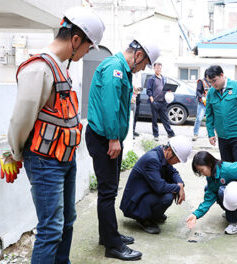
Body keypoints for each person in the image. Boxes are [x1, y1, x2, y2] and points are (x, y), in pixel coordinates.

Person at [6, 6, 105, 263]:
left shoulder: (59, 67)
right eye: (87, 47)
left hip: (63, 157)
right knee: (51, 229)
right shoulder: (40, 68)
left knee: (67, 221)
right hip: (43, 160)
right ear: (75, 40)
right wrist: (15, 153)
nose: (86, 53)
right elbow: (21, 119)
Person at [85, 39, 160, 261]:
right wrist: (113, 138)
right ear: (138, 54)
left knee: (109, 191)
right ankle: (113, 246)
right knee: (107, 193)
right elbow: (110, 106)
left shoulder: (121, 70)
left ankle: (108, 235)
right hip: (104, 138)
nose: (143, 68)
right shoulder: (115, 69)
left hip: (109, 137)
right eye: (144, 63)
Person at [120, 136, 192, 234]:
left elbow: (173, 173)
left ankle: (153, 215)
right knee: (168, 196)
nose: (178, 162)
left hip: (145, 193)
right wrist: (177, 188)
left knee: (172, 188)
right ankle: (143, 218)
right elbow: (160, 187)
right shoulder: (152, 160)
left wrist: (180, 185)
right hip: (134, 204)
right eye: (178, 158)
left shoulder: (162, 154)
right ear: (169, 150)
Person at [186, 151, 237, 235]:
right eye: (199, 172)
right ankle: (234, 213)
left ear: (209, 164)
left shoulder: (229, 169)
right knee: (209, 189)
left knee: (222, 191)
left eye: (202, 170)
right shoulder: (211, 178)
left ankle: (235, 222)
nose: (202, 173)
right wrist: (195, 215)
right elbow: (209, 198)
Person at [204, 65, 237, 164]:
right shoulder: (211, 92)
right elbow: (209, 115)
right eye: (210, 82)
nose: (213, 85)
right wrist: (211, 134)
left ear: (222, 75)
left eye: (214, 80)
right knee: (227, 167)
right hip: (222, 138)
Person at [146, 62, 175, 141]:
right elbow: (148, 90)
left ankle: (170, 133)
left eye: (160, 68)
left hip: (163, 102)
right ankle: (156, 135)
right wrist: (151, 99)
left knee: (165, 119)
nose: (158, 69)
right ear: (154, 68)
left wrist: (169, 91)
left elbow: (166, 88)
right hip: (155, 102)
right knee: (154, 119)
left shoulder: (164, 78)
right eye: (157, 68)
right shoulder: (151, 79)